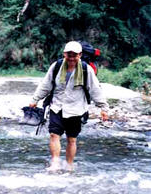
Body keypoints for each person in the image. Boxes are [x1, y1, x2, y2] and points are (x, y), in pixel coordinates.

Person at [29, 41, 109, 171]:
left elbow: (95, 89)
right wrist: (35, 99)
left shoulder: (86, 69)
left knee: (71, 139)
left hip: (76, 109)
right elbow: (46, 84)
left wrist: (103, 108)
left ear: (80, 55)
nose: (71, 58)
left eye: (74, 55)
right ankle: (55, 162)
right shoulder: (57, 66)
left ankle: (69, 165)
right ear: (64, 54)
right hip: (57, 106)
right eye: (69, 55)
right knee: (54, 135)